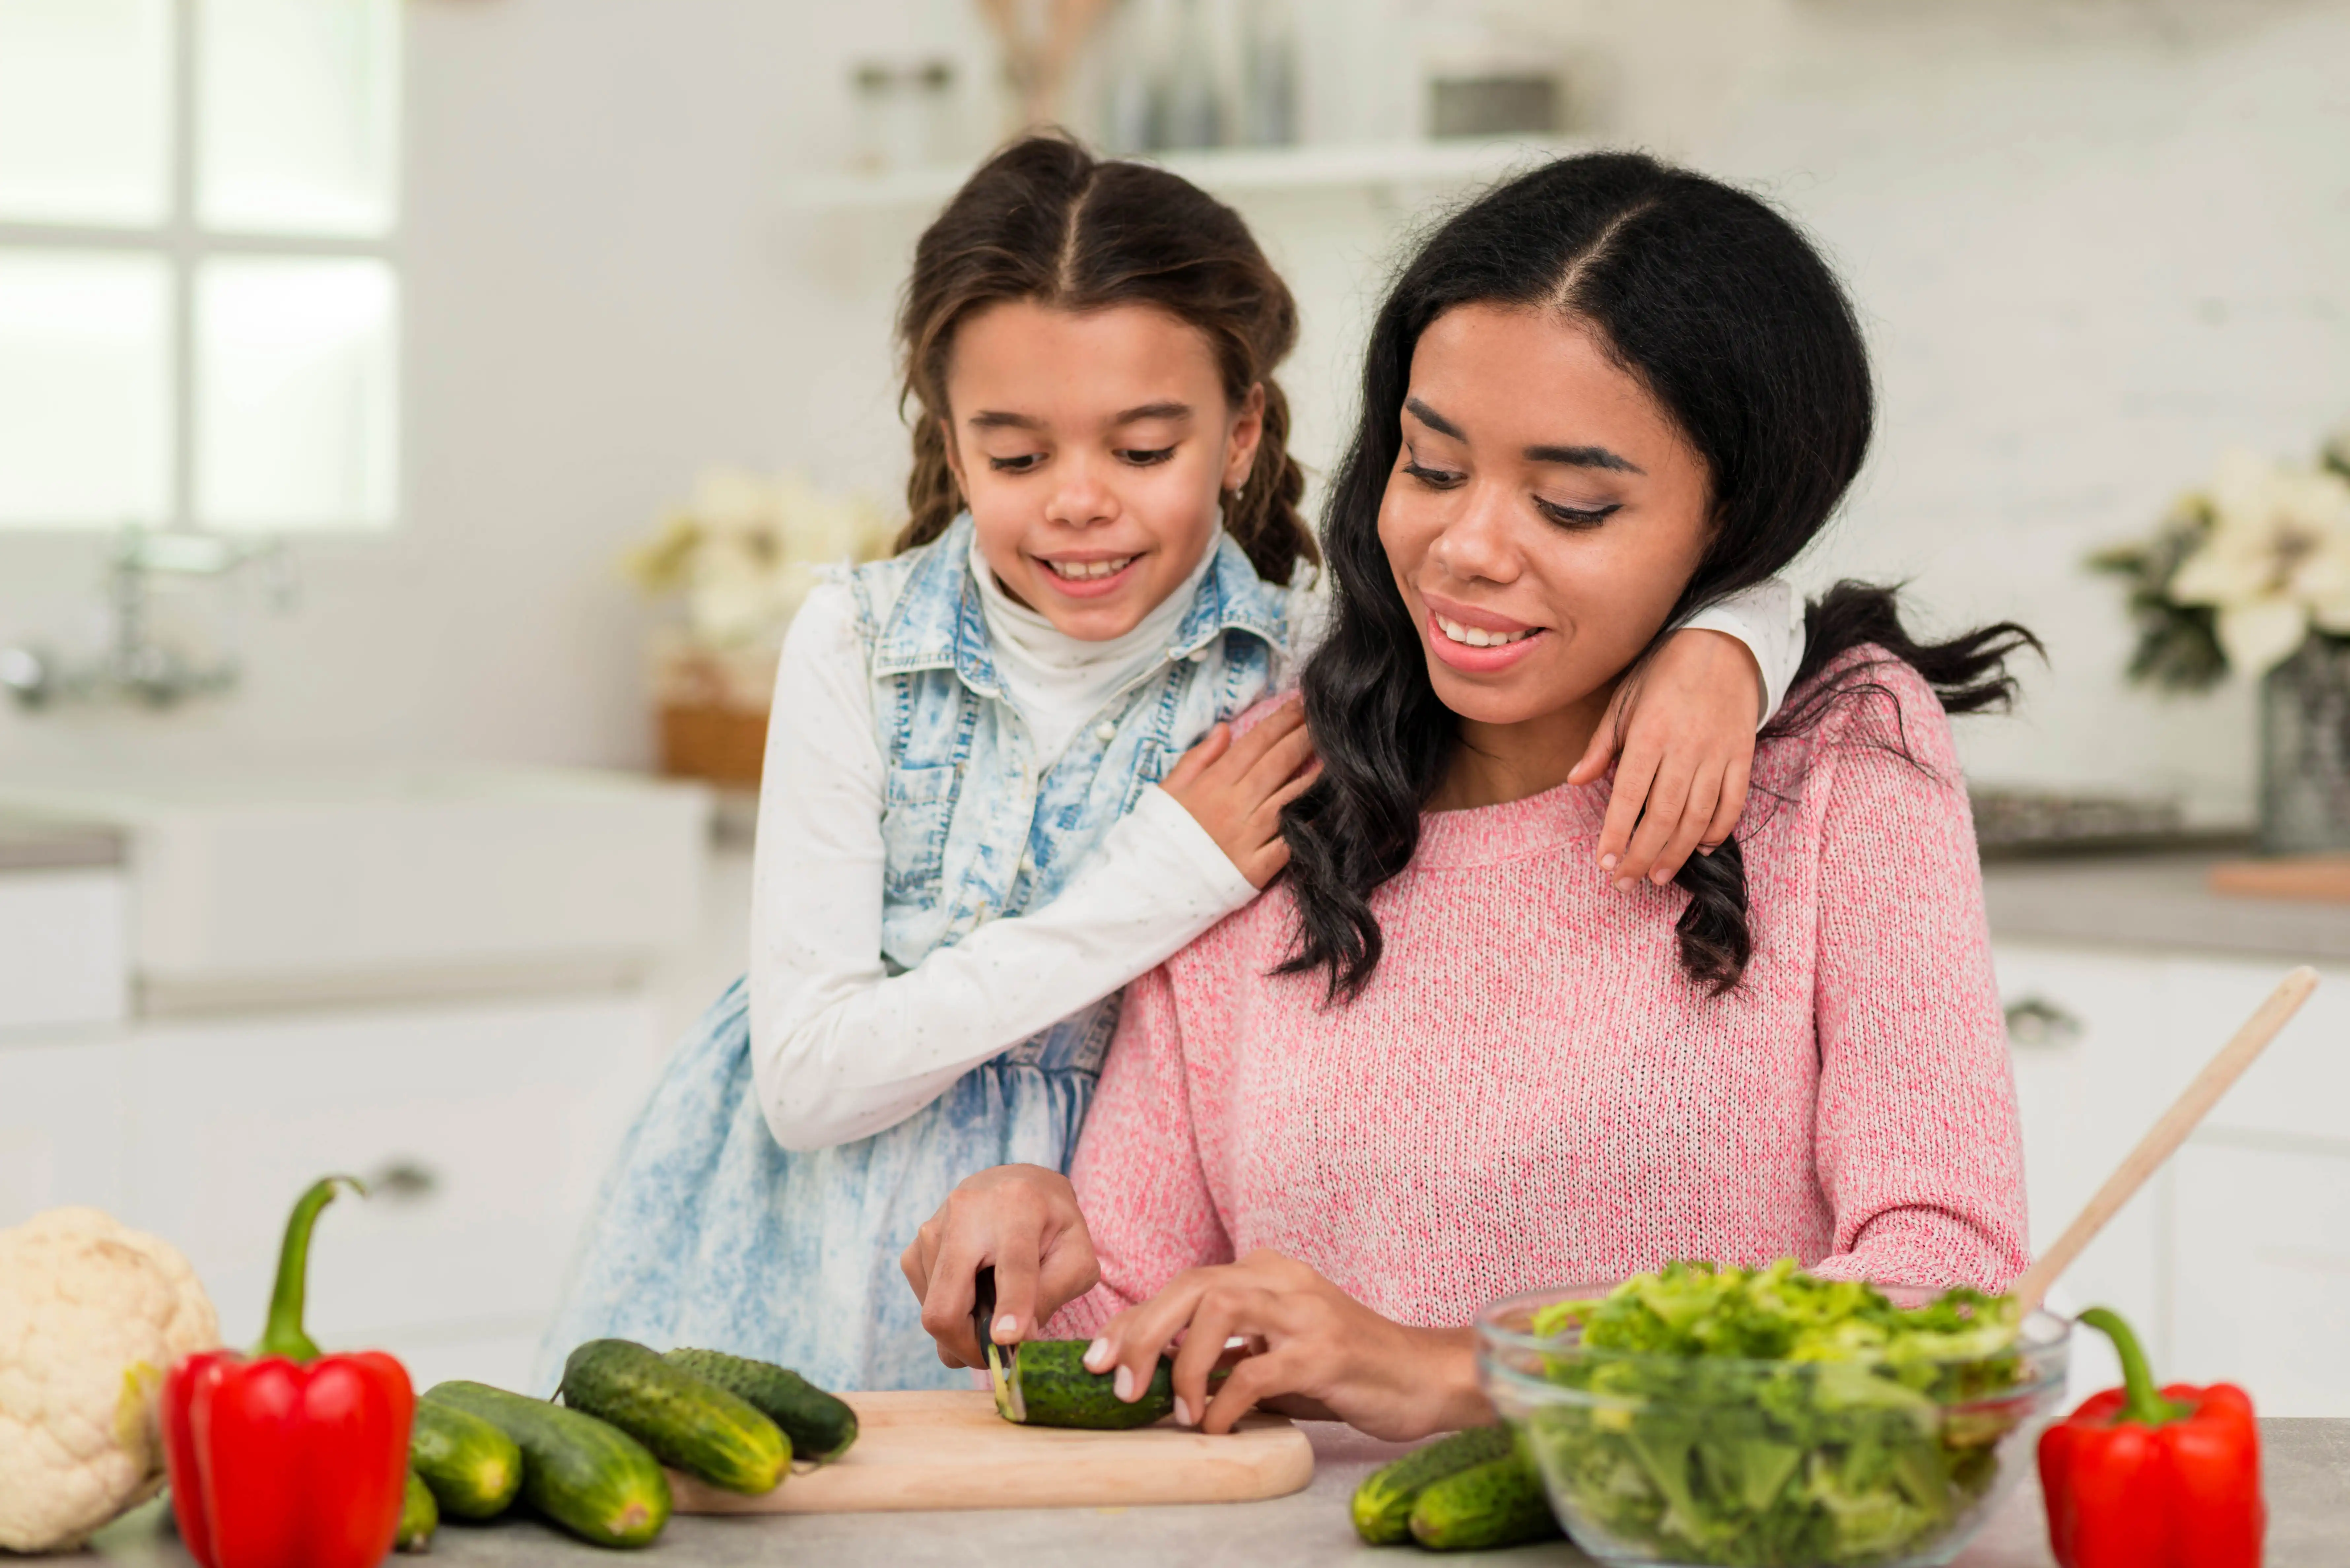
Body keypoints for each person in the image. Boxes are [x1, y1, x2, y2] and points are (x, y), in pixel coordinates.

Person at [542, 138, 1810, 1393]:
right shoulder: (857, 643)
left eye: (1143, 451)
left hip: (1096, 1259)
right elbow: (814, 1083)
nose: (1079, 502)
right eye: (1018, 454)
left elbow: (1605, 573)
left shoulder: (1306, 652)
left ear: (1243, 429)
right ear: (949, 436)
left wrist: (1731, 637)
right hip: (797, 1259)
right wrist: (1162, 875)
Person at [903, 149, 2042, 1438]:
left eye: (1571, 503)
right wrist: (1034, 1257)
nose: (1468, 548)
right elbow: (1137, 1319)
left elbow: (1943, 1284)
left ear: (1735, 523)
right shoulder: (1273, 778)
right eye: (1432, 468)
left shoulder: (1836, 760)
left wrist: (1456, 1371)